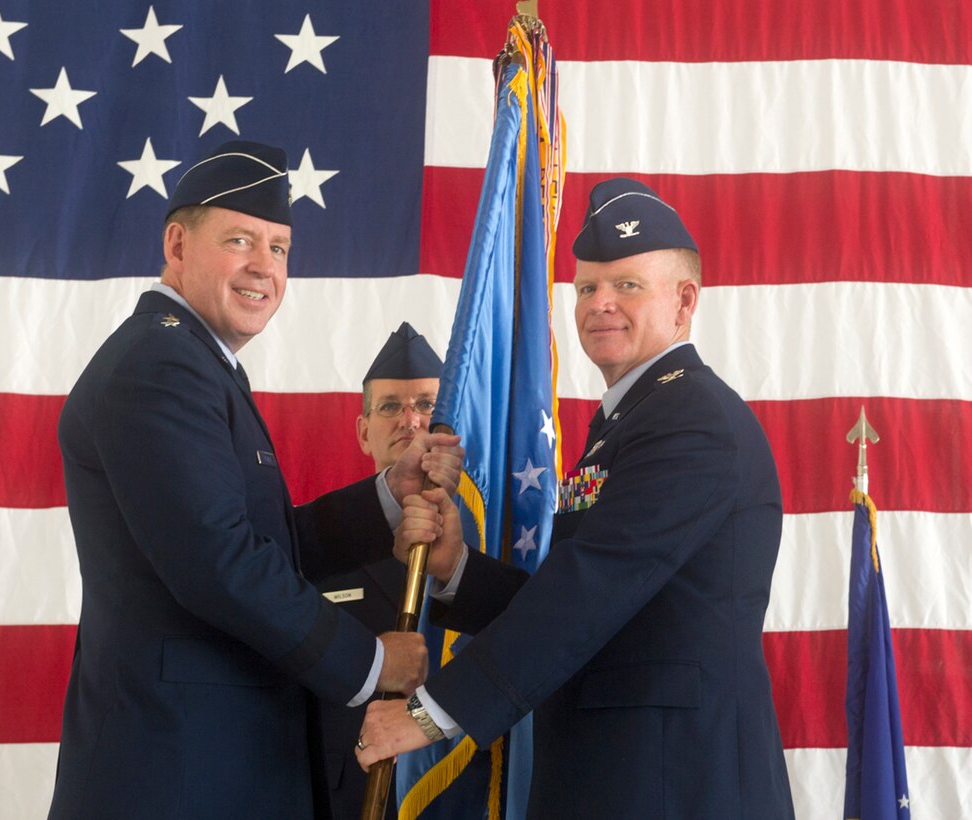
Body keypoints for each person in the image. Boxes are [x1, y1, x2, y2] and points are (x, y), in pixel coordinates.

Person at [356, 178, 796, 818]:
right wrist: (457, 569)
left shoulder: (690, 420)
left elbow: (591, 589)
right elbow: (587, 598)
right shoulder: (631, 419)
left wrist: (430, 715)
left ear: (684, 302)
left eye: (627, 286)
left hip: (676, 782)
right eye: (588, 287)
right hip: (623, 775)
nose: (600, 304)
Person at [47, 140, 462, 820]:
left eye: (279, 248)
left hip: (206, 763)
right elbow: (217, 562)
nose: (263, 267)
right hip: (179, 773)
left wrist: (389, 493)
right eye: (239, 240)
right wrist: (366, 663)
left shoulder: (192, 361)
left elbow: (262, 542)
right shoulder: (162, 365)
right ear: (177, 245)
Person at [316, 322, 494, 819]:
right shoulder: (319, 547)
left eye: (426, 406)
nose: (410, 421)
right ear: (362, 431)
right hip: (347, 797)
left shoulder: (484, 547)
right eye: (390, 406)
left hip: (466, 795)